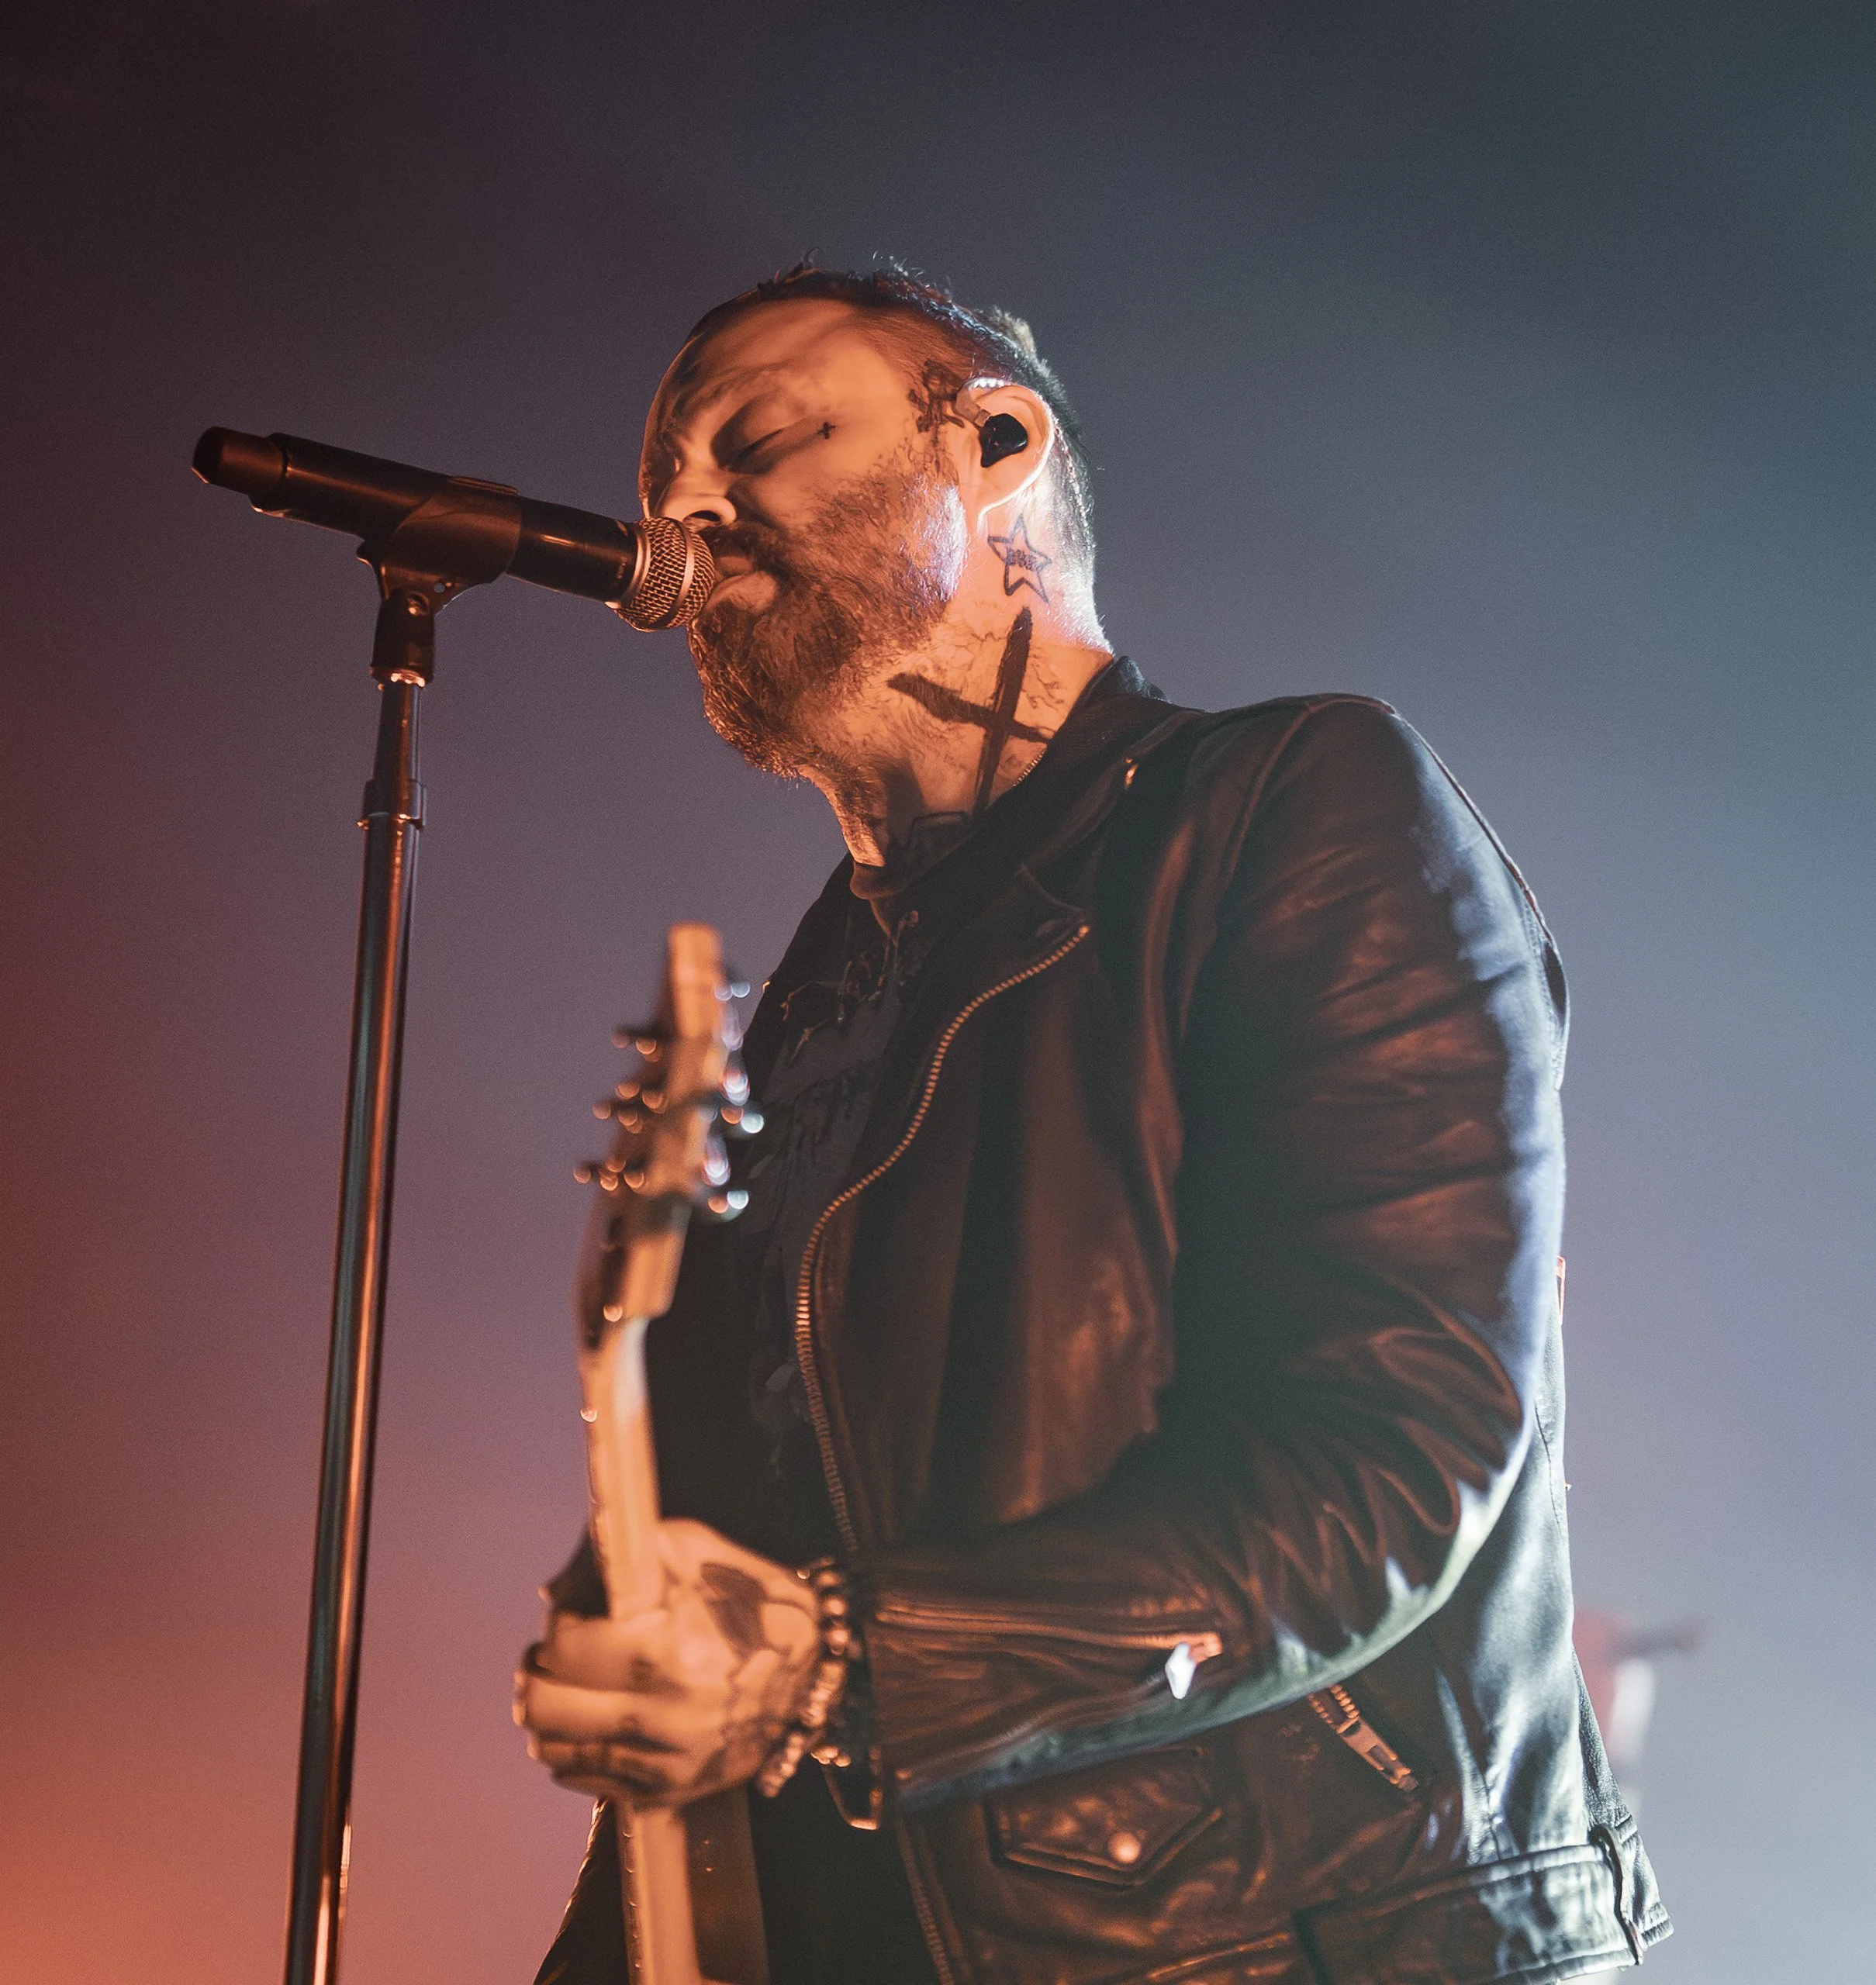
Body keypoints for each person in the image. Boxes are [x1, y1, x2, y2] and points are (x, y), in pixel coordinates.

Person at [514, 264, 1670, 1985]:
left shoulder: (1297, 808)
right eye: (664, 490)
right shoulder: (829, 982)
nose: (686, 513)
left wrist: (833, 1663)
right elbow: (753, 1503)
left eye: (755, 441)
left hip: (1264, 1938)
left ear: (991, 439)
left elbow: (1389, 1463)